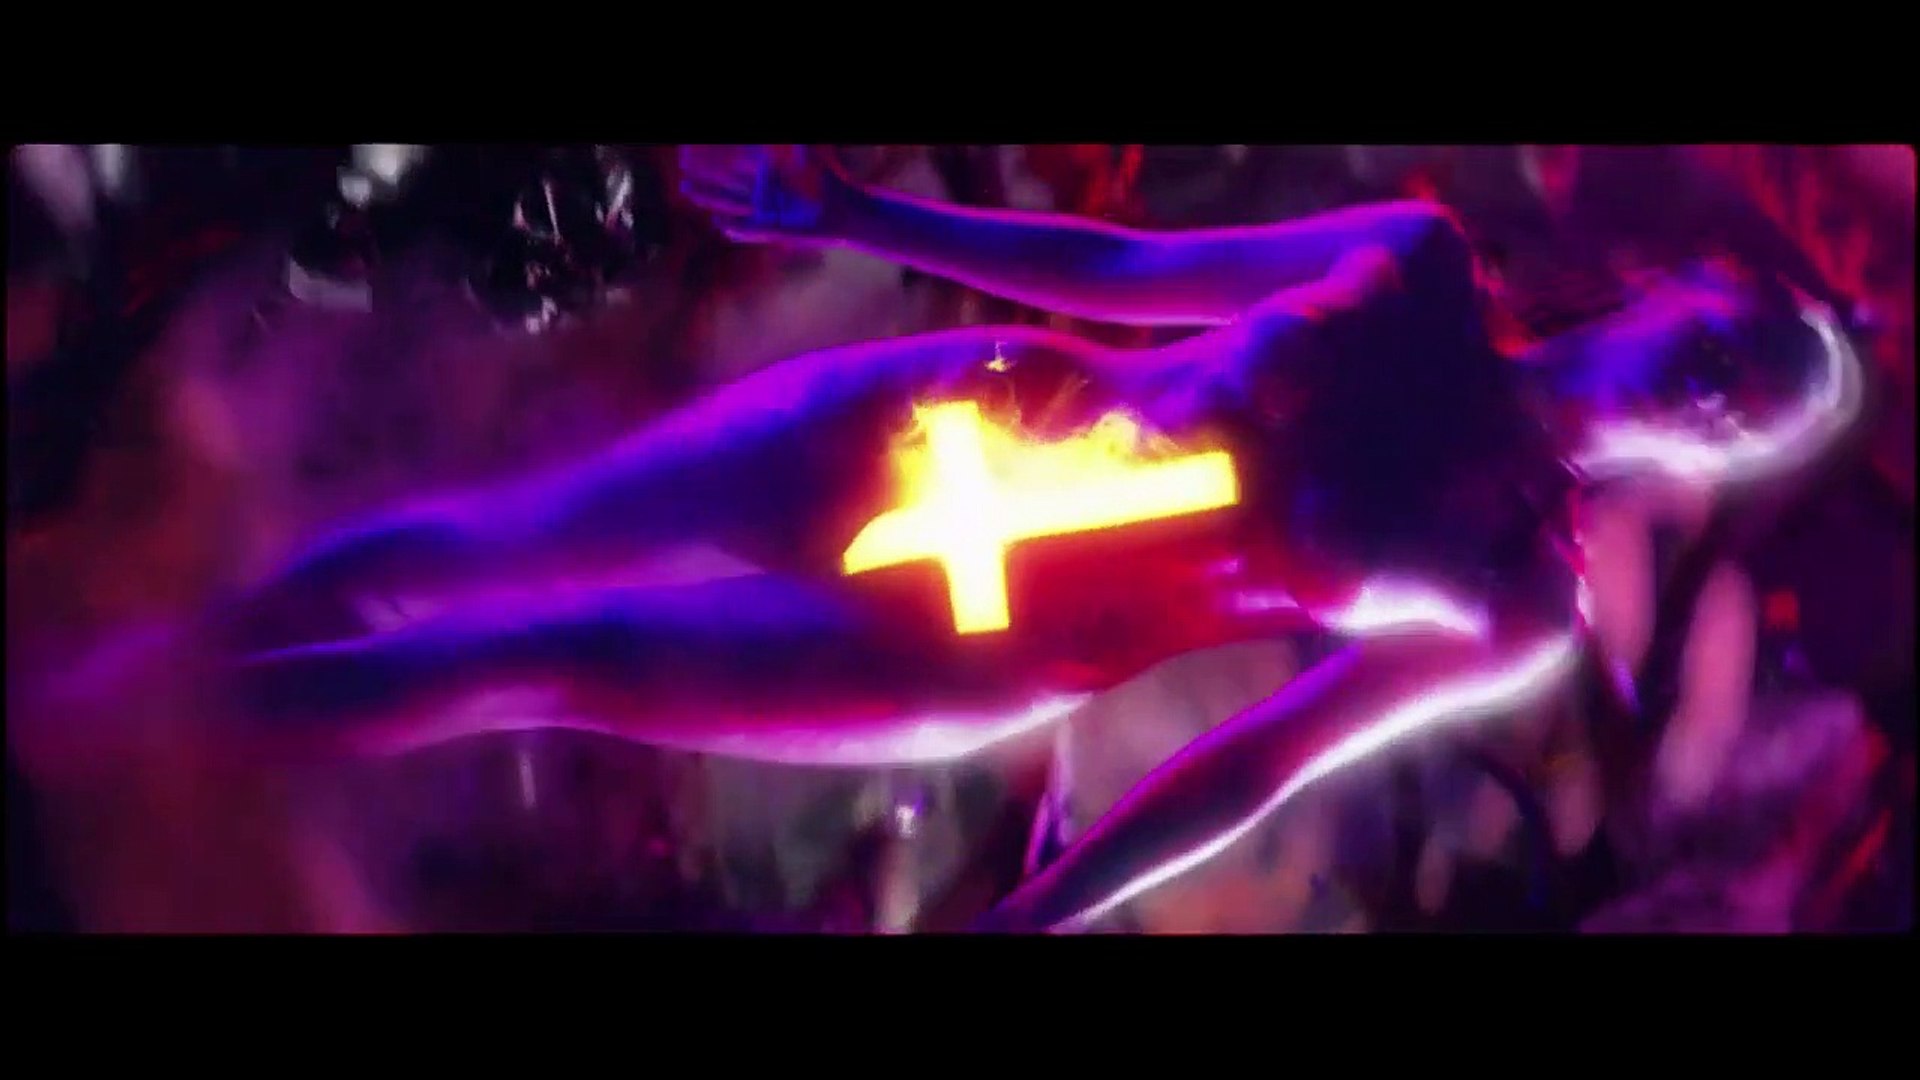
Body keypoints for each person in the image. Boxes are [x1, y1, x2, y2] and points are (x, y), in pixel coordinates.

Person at [106, 144, 1856, 933]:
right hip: (948, 421)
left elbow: (1255, 762)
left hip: (989, 643)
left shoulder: (1517, 602)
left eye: (1739, 419)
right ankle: (125, 670)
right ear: (1669, 293)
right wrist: (855, 210)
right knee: (507, 543)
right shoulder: (1408, 268)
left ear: (1708, 466)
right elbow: (1123, 273)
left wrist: (1046, 910)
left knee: (540, 658)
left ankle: (109, 726)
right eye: (1724, 354)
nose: (1705, 398)